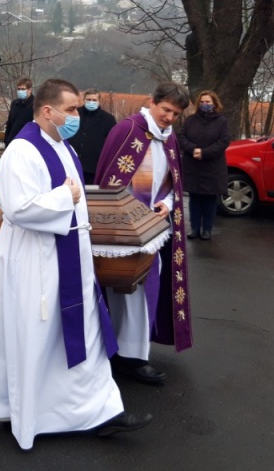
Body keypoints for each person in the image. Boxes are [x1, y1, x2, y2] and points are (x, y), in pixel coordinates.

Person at [0, 78, 152, 451]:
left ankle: (99, 410)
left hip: (70, 257)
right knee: (41, 339)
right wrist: (64, 196)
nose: (77, 115)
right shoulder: (22, 152)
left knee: (83, 334)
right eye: (71, 109)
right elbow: (17, 208)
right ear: (48, 111)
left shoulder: (63, 146)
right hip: (37, 262)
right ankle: (34, 412)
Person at [94, 82, 193, 384]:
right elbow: (109, 180)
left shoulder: (169, 137)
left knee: (144, 290)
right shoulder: (128, 130)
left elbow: (172, 183)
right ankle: (125, 355)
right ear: (152, 102)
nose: (169, 118)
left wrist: (167, 203)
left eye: (176, 114)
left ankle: (132, 353)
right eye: (166, 110)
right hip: (123, 227)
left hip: (153, 229)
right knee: (124, 291)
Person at [178, 90, 231, 241]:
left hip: (212, 166)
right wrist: (193, 149)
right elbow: (181, 137)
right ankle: (194, 228)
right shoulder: (190, 120)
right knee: (194, 198)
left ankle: (207, 229)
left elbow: (224, 141)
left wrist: (204, 153)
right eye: (202, 102)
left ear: (214, 104)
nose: (204, 104)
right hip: (192, 165)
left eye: (207, 102)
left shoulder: (221, 121)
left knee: (209, 200)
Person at [68, 88, 117, 184]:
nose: (91, 102)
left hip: (93, 168)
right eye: (89, 100)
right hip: (72, 164)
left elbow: (112, 143)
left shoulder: (108, 119)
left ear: (99, 101)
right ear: (83, 100)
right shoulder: (74, 114)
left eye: (94, 100)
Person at [3, 77, 34, 146]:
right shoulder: (14, 104)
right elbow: (9, 124)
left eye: (23, 89)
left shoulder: (35, 105)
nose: (20, 91)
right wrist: (6, 140)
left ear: (29, 90)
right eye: (18, 89)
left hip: (26, 144)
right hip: (12, 142)